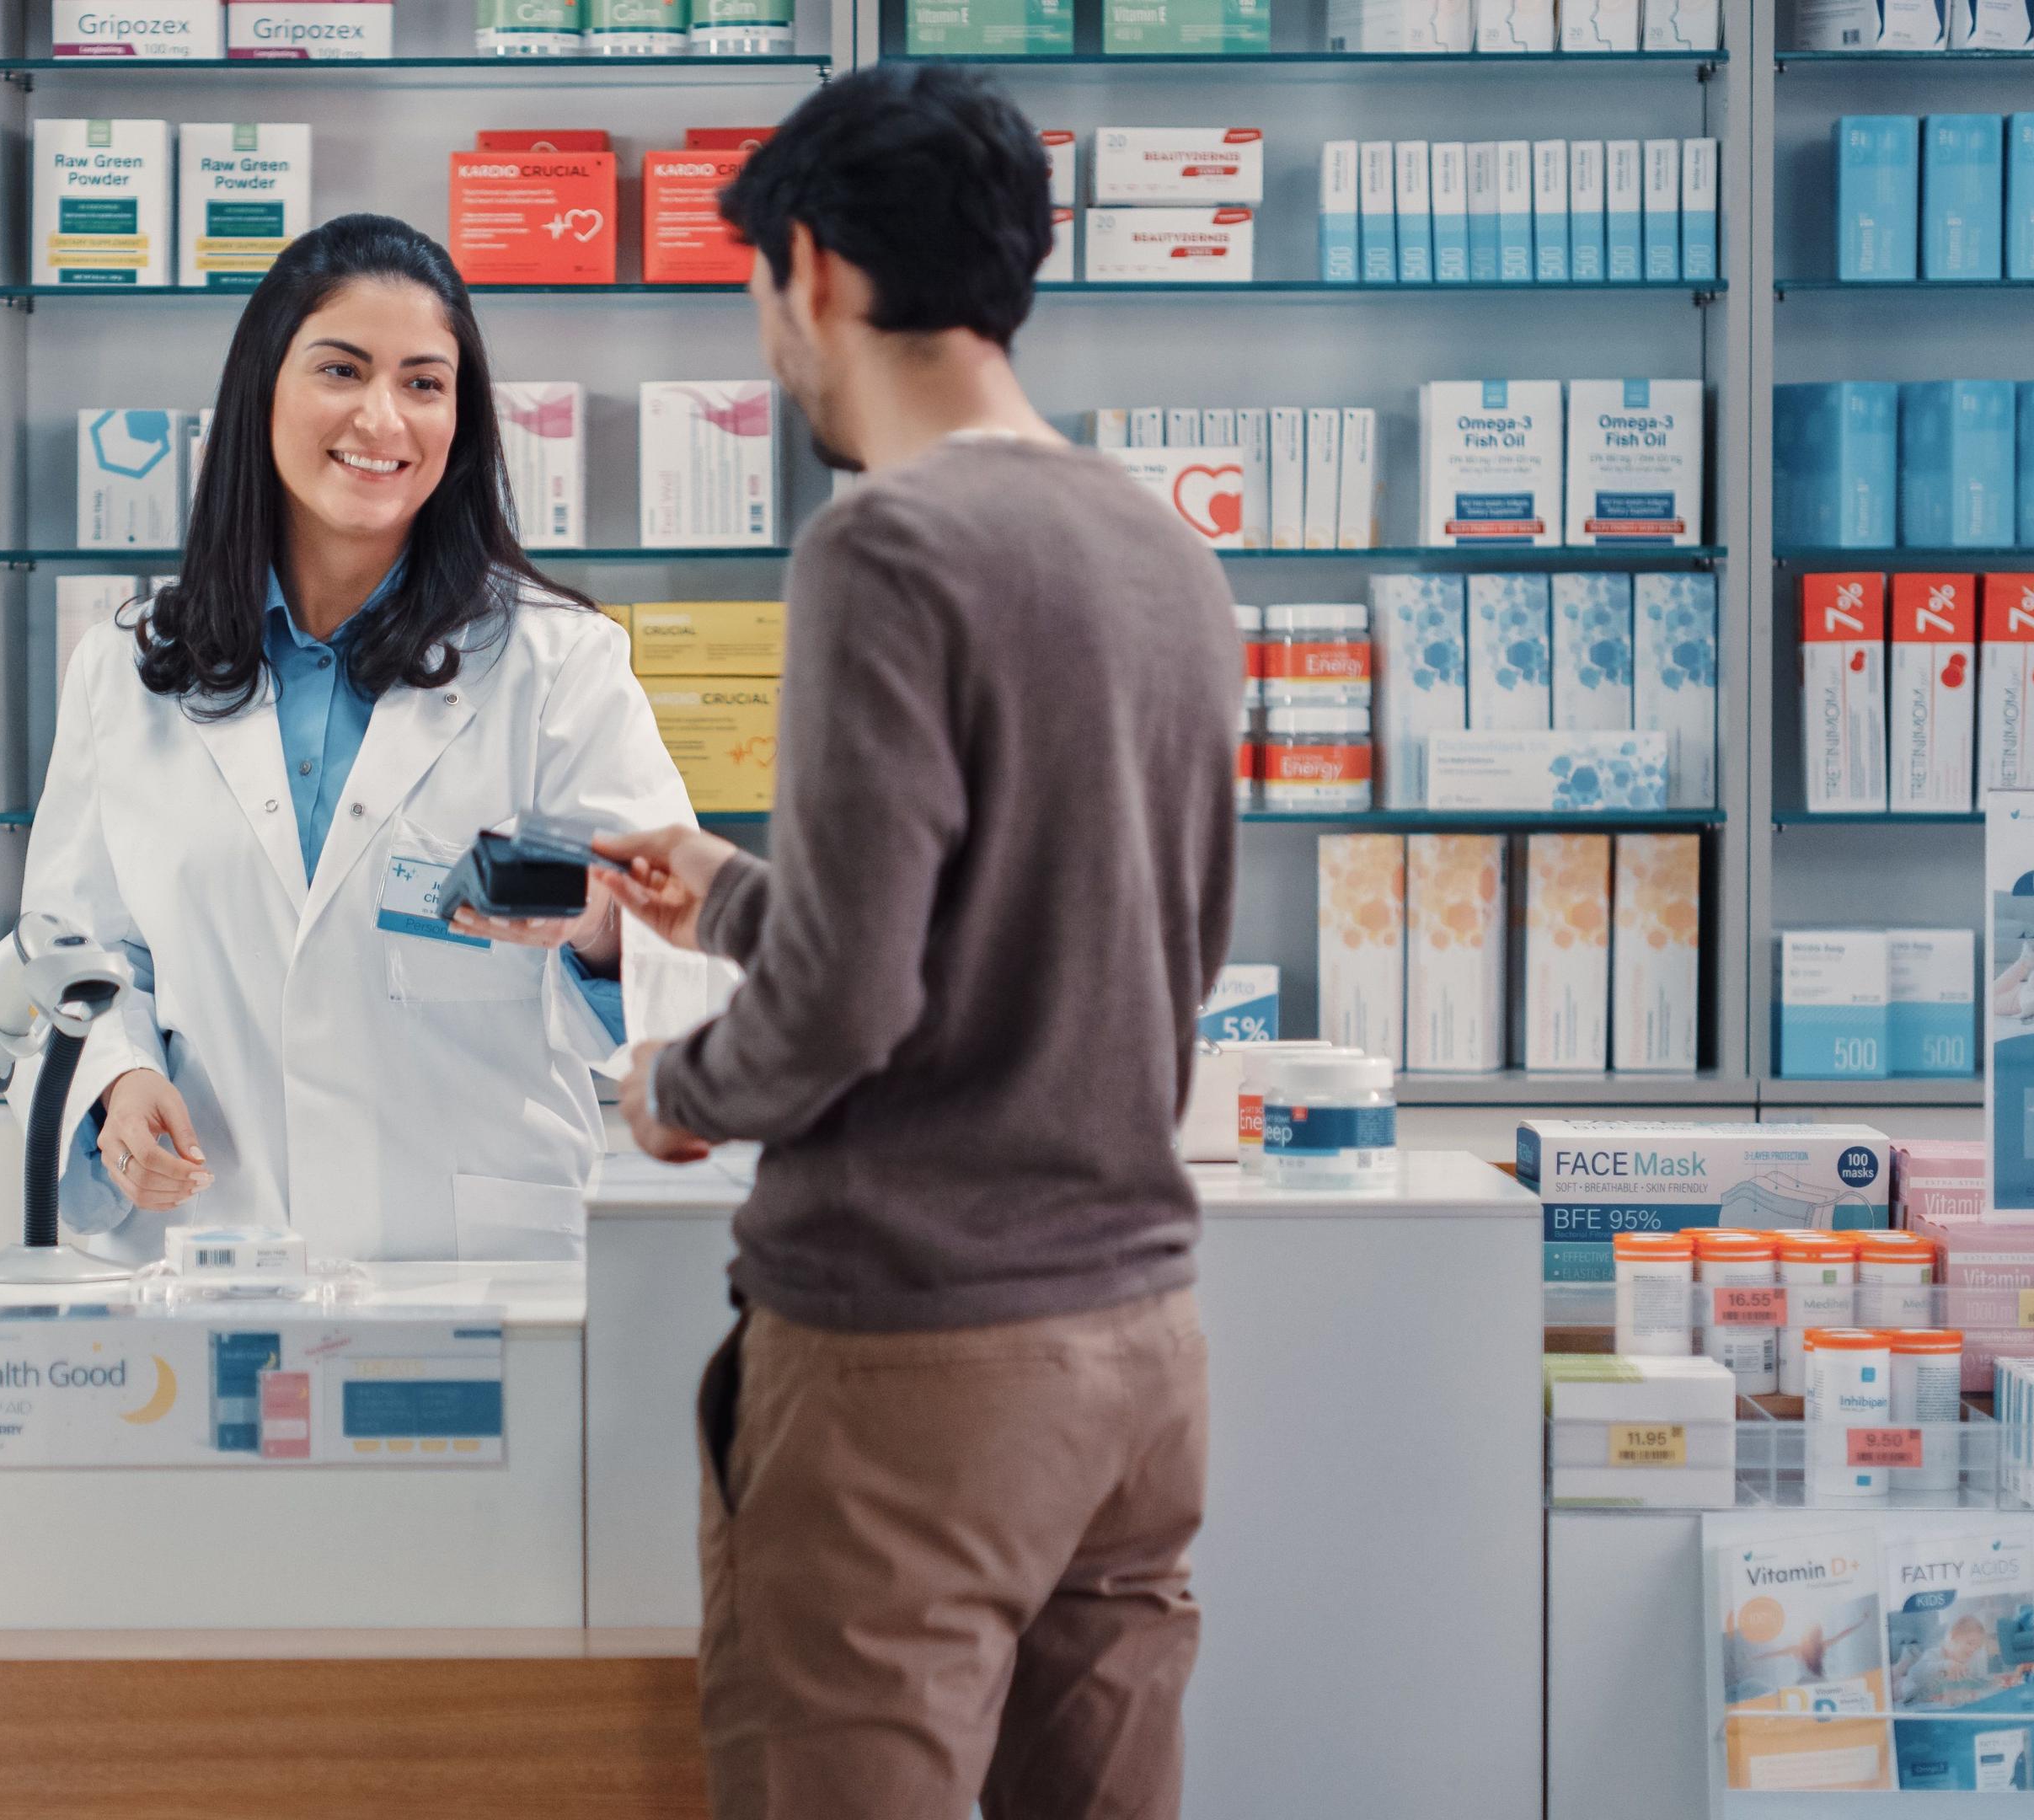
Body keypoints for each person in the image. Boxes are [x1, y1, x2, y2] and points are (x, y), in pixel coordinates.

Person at [594, 64, 1243, 1820]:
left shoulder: (884, 541)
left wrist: (677, 1082)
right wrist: (727, 894)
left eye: (757, 300)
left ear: (810, 267)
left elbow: (851, 1001)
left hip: (917, 1374)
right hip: (1135, 1352)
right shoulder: (1161, 552)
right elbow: (1079, 923)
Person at [14, 211, 693, 1266]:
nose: (384, 418)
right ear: (263, 392)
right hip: (212, 1260)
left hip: (471, 1270)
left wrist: (604, 927)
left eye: (425, 383)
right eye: (342, 369)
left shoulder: (560, 666)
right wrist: (115, 1079)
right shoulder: (130, 666)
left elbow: (679, 960)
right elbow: (73, 947)